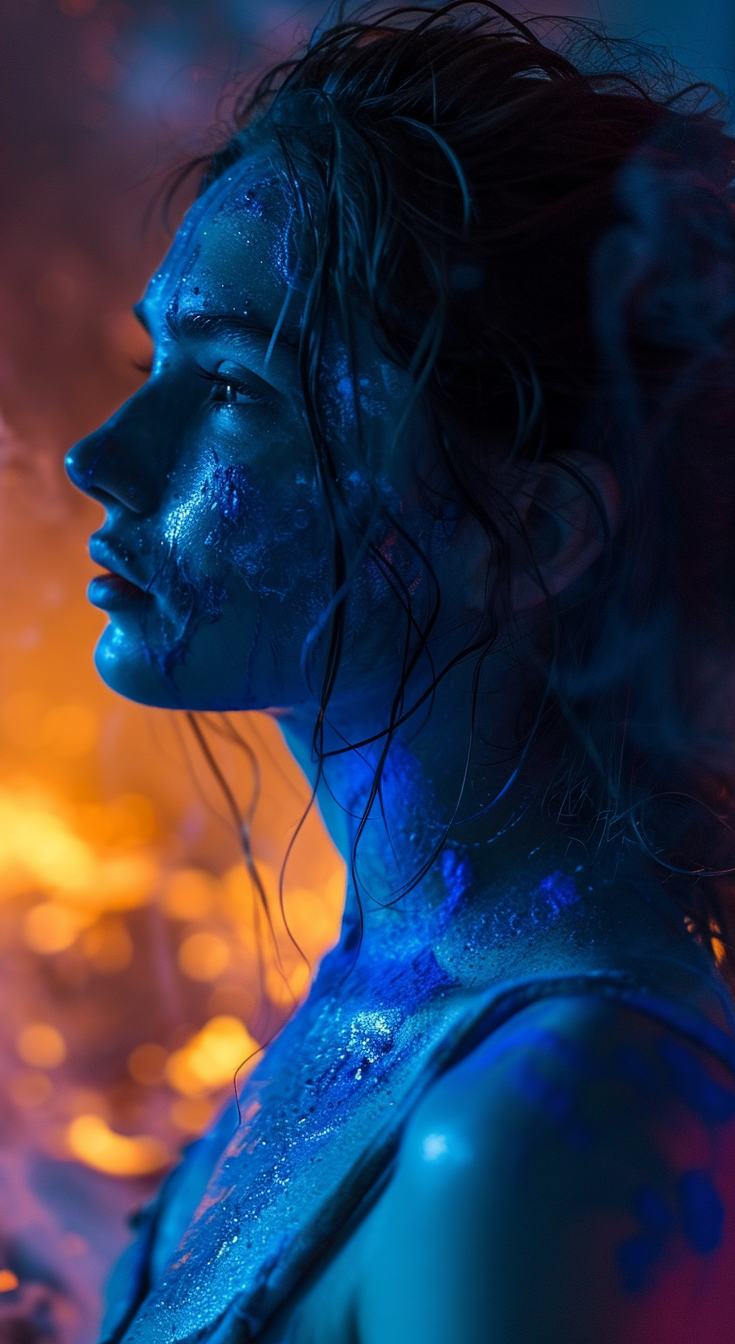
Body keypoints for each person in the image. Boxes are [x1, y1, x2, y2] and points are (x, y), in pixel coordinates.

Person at [65, 4, 735, 1339]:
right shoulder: (399, 981)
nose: (104, 456)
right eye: (157, 362)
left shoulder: (560, 1131)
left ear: (538, 533)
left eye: (242, 388)